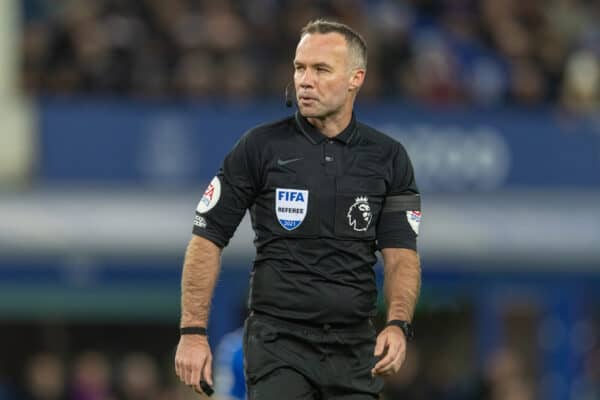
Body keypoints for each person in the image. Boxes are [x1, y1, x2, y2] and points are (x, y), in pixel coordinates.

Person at [175, 19, 422, 399]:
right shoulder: (259, 147)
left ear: (356, 78)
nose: (305, 80)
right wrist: (192, 332)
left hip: (354, 348)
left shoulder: (388, 158)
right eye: (300, 67)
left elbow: (401, 256)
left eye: (321, 69)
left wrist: (398, 324)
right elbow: (207, 237)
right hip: (278, 344)